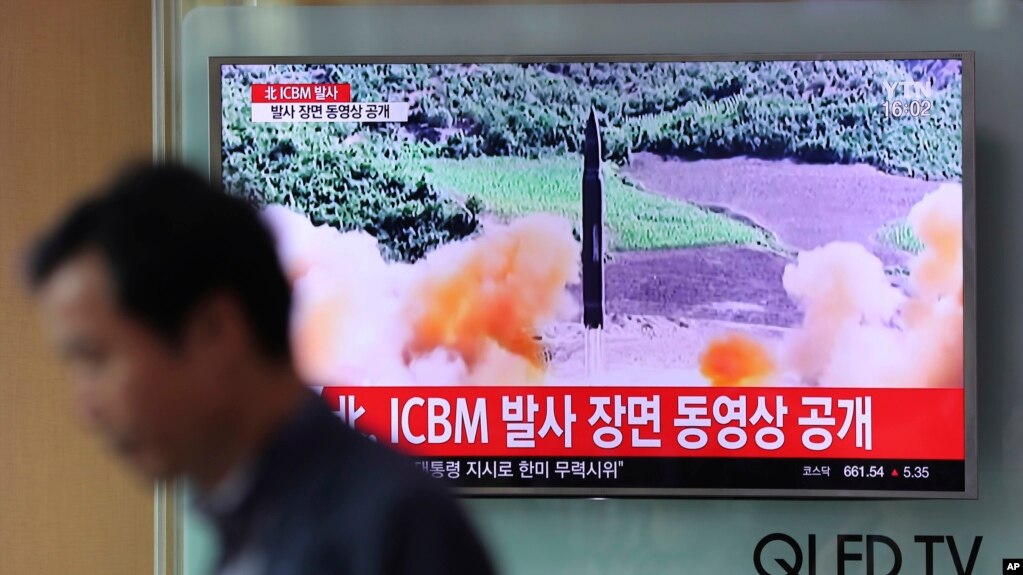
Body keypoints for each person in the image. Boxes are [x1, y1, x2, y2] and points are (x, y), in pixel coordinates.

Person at [26, 163, 496, 575]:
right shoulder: (256, 528)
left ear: (215, 332)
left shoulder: (394, 527)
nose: (85, 410)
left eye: (95, 360)